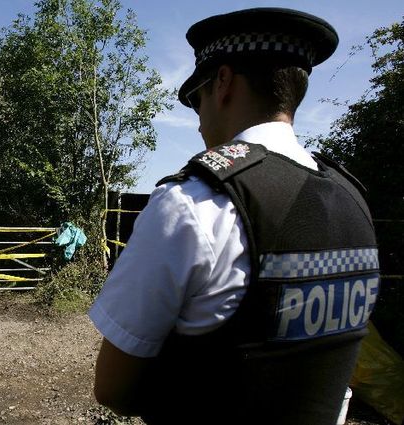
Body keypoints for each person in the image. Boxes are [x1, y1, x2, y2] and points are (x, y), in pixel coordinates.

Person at [89, 8, 380, 425]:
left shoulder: (192, 203)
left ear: (222, 83)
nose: (198, 122)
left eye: (196, 100)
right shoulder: (353, 198)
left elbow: (114, 389)